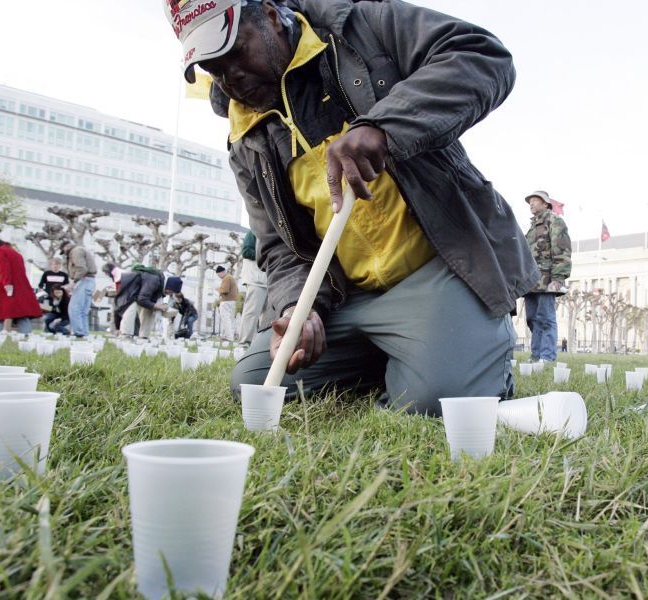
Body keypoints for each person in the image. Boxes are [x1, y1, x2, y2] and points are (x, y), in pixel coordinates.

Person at [164, 0, 537, 415]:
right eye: (214, 67)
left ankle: (459, 352)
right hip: (349, 297)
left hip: (439, 269)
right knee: (252, 383)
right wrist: (297, 308)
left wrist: (384, 126)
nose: (229, 76)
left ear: (270, 15)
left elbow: (482, 56)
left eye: (236, 51)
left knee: (436, 403)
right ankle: (400, 355)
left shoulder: (361, 27)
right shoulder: (246, 139)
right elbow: (280, 246)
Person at [523, 191, 572, 362]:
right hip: (530, 281)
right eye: (530, 201)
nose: (532, 204)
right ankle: (535, 355)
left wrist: (558, 278)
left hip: (546, 278)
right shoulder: (532, 226)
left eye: (536, 201)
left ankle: (547, 357)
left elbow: (562, 249)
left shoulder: (554, 221)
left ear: (545, 204)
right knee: (531, 318)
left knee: (545, 318)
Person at [0, 239, 42, 333]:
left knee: (1, 312)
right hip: (21, 286)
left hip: (8, 286)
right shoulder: (16, 253)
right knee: (21, 313)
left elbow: (4, 268)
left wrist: (6, 283)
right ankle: (27, 335)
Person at [102, 262, 168, 339]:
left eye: (106, 273)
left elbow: (140, 298)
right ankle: (133, 335)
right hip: (133, 295)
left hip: (131, 295)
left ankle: (128, 335)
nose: (106, 275)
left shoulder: (120, 274)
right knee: (130, 314)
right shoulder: (123, 274)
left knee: (128, 313)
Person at [61, 240, 98, 339]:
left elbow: (82, 268)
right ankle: (84, 333)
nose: (65, 254)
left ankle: (78, 332)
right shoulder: (80, 250)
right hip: (89, 281)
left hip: (83, 280)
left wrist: (73, 283)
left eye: (63, 251)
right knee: (83, 311)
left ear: (67, 247)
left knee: (74, 308)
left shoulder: (76, 251)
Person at [238, 230, 268, 347]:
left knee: (267, 316)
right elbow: (246, 251)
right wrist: (266, 255)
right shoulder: (254, 232)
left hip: (269, 281)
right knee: (252, 312)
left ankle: (262, 344)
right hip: (256, 280)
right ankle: (244, 343)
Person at [215, 265, 238, 340]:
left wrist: (217, 289)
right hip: (232, 301)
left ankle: (229, 337)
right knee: (230, 319)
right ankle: (227, 335)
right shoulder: (231, 277)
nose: (219, 276)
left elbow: (224, 290)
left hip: (226, 301)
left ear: (221, 272)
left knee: (226, 319)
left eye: (218, 275)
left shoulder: (226, 278)